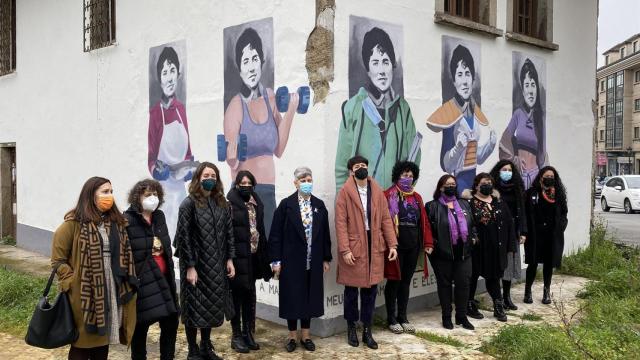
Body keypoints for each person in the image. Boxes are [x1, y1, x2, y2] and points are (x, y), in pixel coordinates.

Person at [223, 27, 299, 237]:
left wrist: (291, 109)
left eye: (254, 58)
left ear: (262, 62)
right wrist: (232, 155)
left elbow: (279, 149)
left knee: (269, 246)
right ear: (239, 69)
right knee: (247, 248)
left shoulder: (270, 98)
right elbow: (232, 161)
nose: (251, 67)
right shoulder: (235, 107)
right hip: (244, 193)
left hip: (268, 191)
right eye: (245, 61)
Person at [51, 177, 137, 360]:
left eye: (111, 191)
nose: (110, 196)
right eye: (105, 192)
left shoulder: (116, 223)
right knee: (82, 344)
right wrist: (73, 281)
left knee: (102, 342)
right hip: (85, 293)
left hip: (112, 288)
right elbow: (58, 261)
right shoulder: (73, 224)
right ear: (91, 195)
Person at [335, 26, 421, 193]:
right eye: (375, 63)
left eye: (385, 62)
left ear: (392, 66)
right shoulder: (353, 107)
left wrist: (404, 192)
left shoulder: (403, 110)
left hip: (394, 202)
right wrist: (343, 205)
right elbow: (341, 166)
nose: (381, 70)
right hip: (363, 201)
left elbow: (414, 156)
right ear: (368, 69)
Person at [173, 162, 236, 360]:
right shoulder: (188, 204)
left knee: (211, 306)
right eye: (206, 175)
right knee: (193, 307)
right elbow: (184, 237)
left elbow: (229, 233)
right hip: (195, 266)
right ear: (198, 178)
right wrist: (190, 266)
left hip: (216, 265)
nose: (210, 179)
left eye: (213, 175)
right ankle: (193, 350)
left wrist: (230, 259)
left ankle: (205, 347)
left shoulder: (222, 203)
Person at [335, 155, 398, 350]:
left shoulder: (377, 190)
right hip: (354, 247)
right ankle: (351, 328)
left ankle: (367, 330)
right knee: (351, 292)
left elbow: (387, 219)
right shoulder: (344, 193)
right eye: (357, 166)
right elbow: (340, 224)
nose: (361, 168)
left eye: (364, 165)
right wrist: (345, 249)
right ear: (350, 171)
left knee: (370, 292)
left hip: (375, 245)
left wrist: (392, 245)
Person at [268, 166, 332, 352]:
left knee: (308, 298)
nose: (306, 183)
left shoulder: (319, 205)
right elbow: (275, 235)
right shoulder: (286, 206)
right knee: (292, 298)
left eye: (309, 180)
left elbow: (325, 234)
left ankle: (306, 335)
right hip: (291, 261)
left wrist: (326, 258)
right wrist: (276, 261)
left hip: (313, 260)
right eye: (302, 180)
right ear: (295, 183)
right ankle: (292, 337)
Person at [427, 44, 497, 193]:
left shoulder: (474, 111)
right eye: (460, 74)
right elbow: (446, 165)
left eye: (467, 73)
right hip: (458, 183)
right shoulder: (449, 113)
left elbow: (477, 158)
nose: (464, 81)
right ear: (454, 80)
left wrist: (490, 145)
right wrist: (458, 147)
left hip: (475, 181)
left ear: (473, 78)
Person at [124, 179, 179, 360]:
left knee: (171, 323)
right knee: (140, 330)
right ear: (137, 197)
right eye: (148, 194)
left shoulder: (159, 216)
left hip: (165, 279)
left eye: (155, 194)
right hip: (143, 284)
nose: (152, 198)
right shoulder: (127, 220)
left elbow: (166, 248)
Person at [148, 46, 196, 238]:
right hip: (164, 191)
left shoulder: (181, 110)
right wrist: (157, 171)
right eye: (164, 73)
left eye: (172, 71)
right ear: (160, 79)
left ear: (178, 74)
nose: (169, 77)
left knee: (183, 234)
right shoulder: (154, 114)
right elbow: (150, 158)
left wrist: (190, 169)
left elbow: (188, 153)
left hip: (181, 191)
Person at [383, 161, 433, 334]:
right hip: (395, 246)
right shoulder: (387, 195)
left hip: (413, 245)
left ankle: (403, 317)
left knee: (405, 282)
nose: (408, 178)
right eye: (404, 175)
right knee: (394, 281)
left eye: (411, 176)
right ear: (397, 175)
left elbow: (424, 221)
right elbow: (383, 222)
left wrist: (427, 243)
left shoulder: (417, 197)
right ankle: (391, 318)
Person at [226, 170, 272, 353]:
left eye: (249, 182)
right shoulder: (229, 204)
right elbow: (226, 234)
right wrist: (228, 257)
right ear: (237, 184)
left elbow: (260, 230)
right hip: (237, 258)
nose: (246, 185)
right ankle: (236, 335)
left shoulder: (256, 202)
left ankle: (248, 333)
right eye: (242, 182)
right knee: (237, 297)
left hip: (253, 257)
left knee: (250, 296)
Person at [463, 173, 517, 322]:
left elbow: (509, 224)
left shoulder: (499, 201)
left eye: (489, 182)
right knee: (472, 277)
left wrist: (511, 245)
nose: (487, 185)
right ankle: (469, 304)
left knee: (494, 278)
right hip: (477, 248)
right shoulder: (469, 202)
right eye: (484, 182)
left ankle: (498, 306)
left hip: (496, 248)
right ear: (476, 185)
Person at [426, 175, 477, 330]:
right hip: (442, 255)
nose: (451, 187)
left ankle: (461, 317)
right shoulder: (432, 206)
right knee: (445, 286)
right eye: (447, 184)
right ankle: (446, 317)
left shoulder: (464, 204)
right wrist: (435, 245)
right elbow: (428, 230)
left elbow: (473, 225)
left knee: (463, 284)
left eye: (453, 184)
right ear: (441, 187)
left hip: (464, 253)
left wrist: (474, 238)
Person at [499, 59, 548, 189]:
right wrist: (514, 159)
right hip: (519, 175)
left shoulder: (540, 118)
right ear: (522, 89)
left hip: (535, 175)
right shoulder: (518, 114)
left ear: (537, 88)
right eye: (527, 85)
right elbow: (503, 143)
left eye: (533, 84)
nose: (530, 90)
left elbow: (543, 155)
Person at [523, 166, 568, 305]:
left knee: (549, 264)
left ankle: (546, 292)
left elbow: (564, 213)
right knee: (533, 263)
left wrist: (561, 226)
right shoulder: (531, 193)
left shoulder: (558, 194)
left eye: (552, 177)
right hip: (535, 235)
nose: (549, 179)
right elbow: (525, 213)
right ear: (541, 177)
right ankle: (527, 291)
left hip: (551, 235)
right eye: (547, 176)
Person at [490, 160, 527, 311]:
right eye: (504, 169)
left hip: (513, 232)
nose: (507, 172)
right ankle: (497, 298)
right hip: (497, 231)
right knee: (497, 265)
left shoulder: (517, 188)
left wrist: (523, 231)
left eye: (509, 170)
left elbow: (522, 211)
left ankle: (507, 296)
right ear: (498, 172)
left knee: (510, 265)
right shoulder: (493, 189)